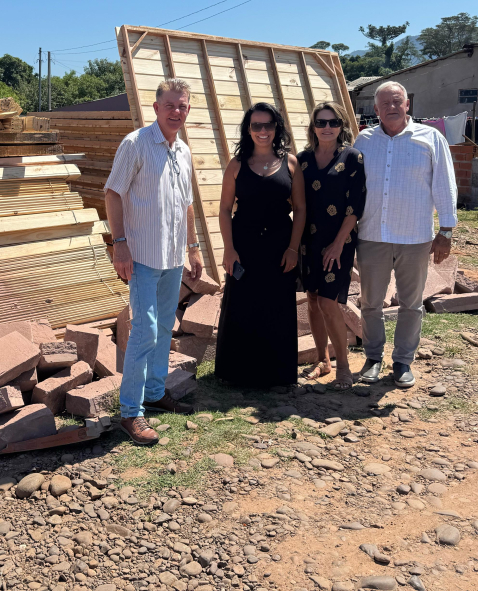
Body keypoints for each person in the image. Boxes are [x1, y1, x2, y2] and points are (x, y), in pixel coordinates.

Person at [104, 78, 203, 445]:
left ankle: (156, 392)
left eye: (183, 106)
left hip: (173, 255)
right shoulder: (136, 144)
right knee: (143, 330)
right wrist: (120, 244)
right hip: (142, 255)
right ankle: (130, 412)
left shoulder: (183, 150)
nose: (177, 111)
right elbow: (112, 193)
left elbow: (187, 204)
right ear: (157, 108)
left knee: (163, 328)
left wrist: (193, 247)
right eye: (171, 105)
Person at [353, 81, 458, 388]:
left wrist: (447, 230)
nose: (392, 107)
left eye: (397, 101)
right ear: (375, 110)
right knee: (371, 302)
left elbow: (444, 185)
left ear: (407, 104)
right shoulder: (365, 140)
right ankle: (373, 358)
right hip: (372, 234)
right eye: (385, 103)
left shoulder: (430, 139)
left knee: (411, 303)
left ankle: (402, 362)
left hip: (415, 236)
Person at [214, 102, 306, 389]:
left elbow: (301, 209)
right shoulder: (237, 165)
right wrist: (228, 249)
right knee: (242, 305)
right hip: (244, 245)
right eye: (256, 125)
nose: (262, 131)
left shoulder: (291, 163)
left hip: (280, 246)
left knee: (277, 307)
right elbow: (224, 209)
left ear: (276, 127)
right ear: (248, 129)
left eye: (268, 125)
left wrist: (293, 248)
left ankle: (276, 375)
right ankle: (237, 373)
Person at [297, 102, 366, 390]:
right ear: (313, 127)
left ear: (341, 126)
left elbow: (355, 205)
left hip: (339, 240)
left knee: (328, 301)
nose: (327, 127)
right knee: (312, 299)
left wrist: (338, 245)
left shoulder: (352, 158)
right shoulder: (302, 160)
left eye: (333, 122)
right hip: (307, 240)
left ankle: (344, 368)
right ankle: (323, 360)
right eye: (321, 122)